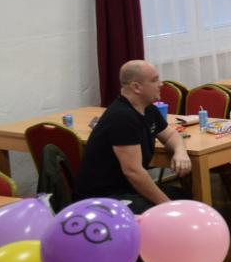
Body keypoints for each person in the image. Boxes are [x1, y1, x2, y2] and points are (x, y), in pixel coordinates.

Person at [74, 60, 191, 211]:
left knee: (185, 198)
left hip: (128, 189)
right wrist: (167, 206)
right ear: (136, 87)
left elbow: (170, 135)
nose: (161, 84)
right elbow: (133, 172)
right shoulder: (122, 117)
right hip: (104, 197)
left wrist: (180, 152)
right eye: (154, 80)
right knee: (170, 210)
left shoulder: (148, 109)